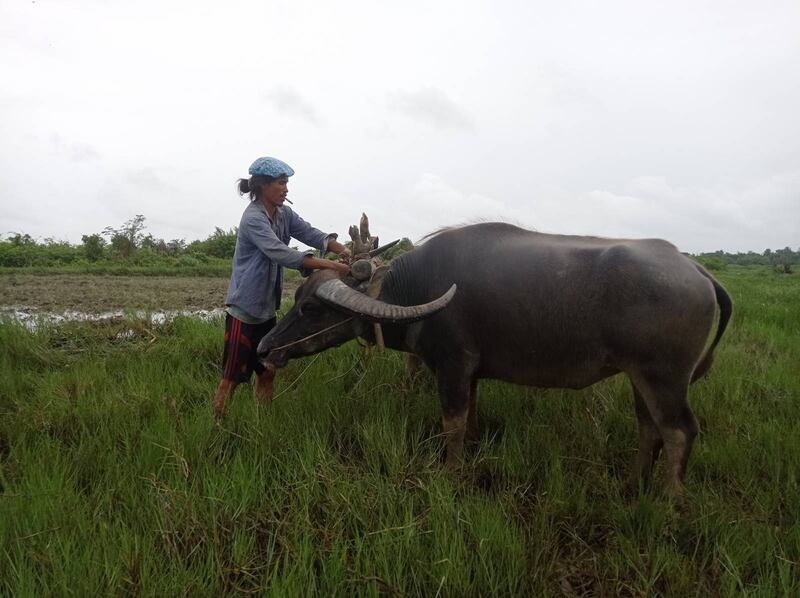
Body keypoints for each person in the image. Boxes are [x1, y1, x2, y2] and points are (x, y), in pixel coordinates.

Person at [212, 156, 351, 418]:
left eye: (286, 183)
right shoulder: (253, 218)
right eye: (281, 183)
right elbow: (280, 253)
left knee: (267, 371)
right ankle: (218, 427)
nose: (286, 189)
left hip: (267, 311)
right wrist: (332, 267)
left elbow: (310, 233)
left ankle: (263, 423)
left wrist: (345, 250)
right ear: (264, 185)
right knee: (231, 378)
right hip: (245, 311)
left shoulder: (284, 213)